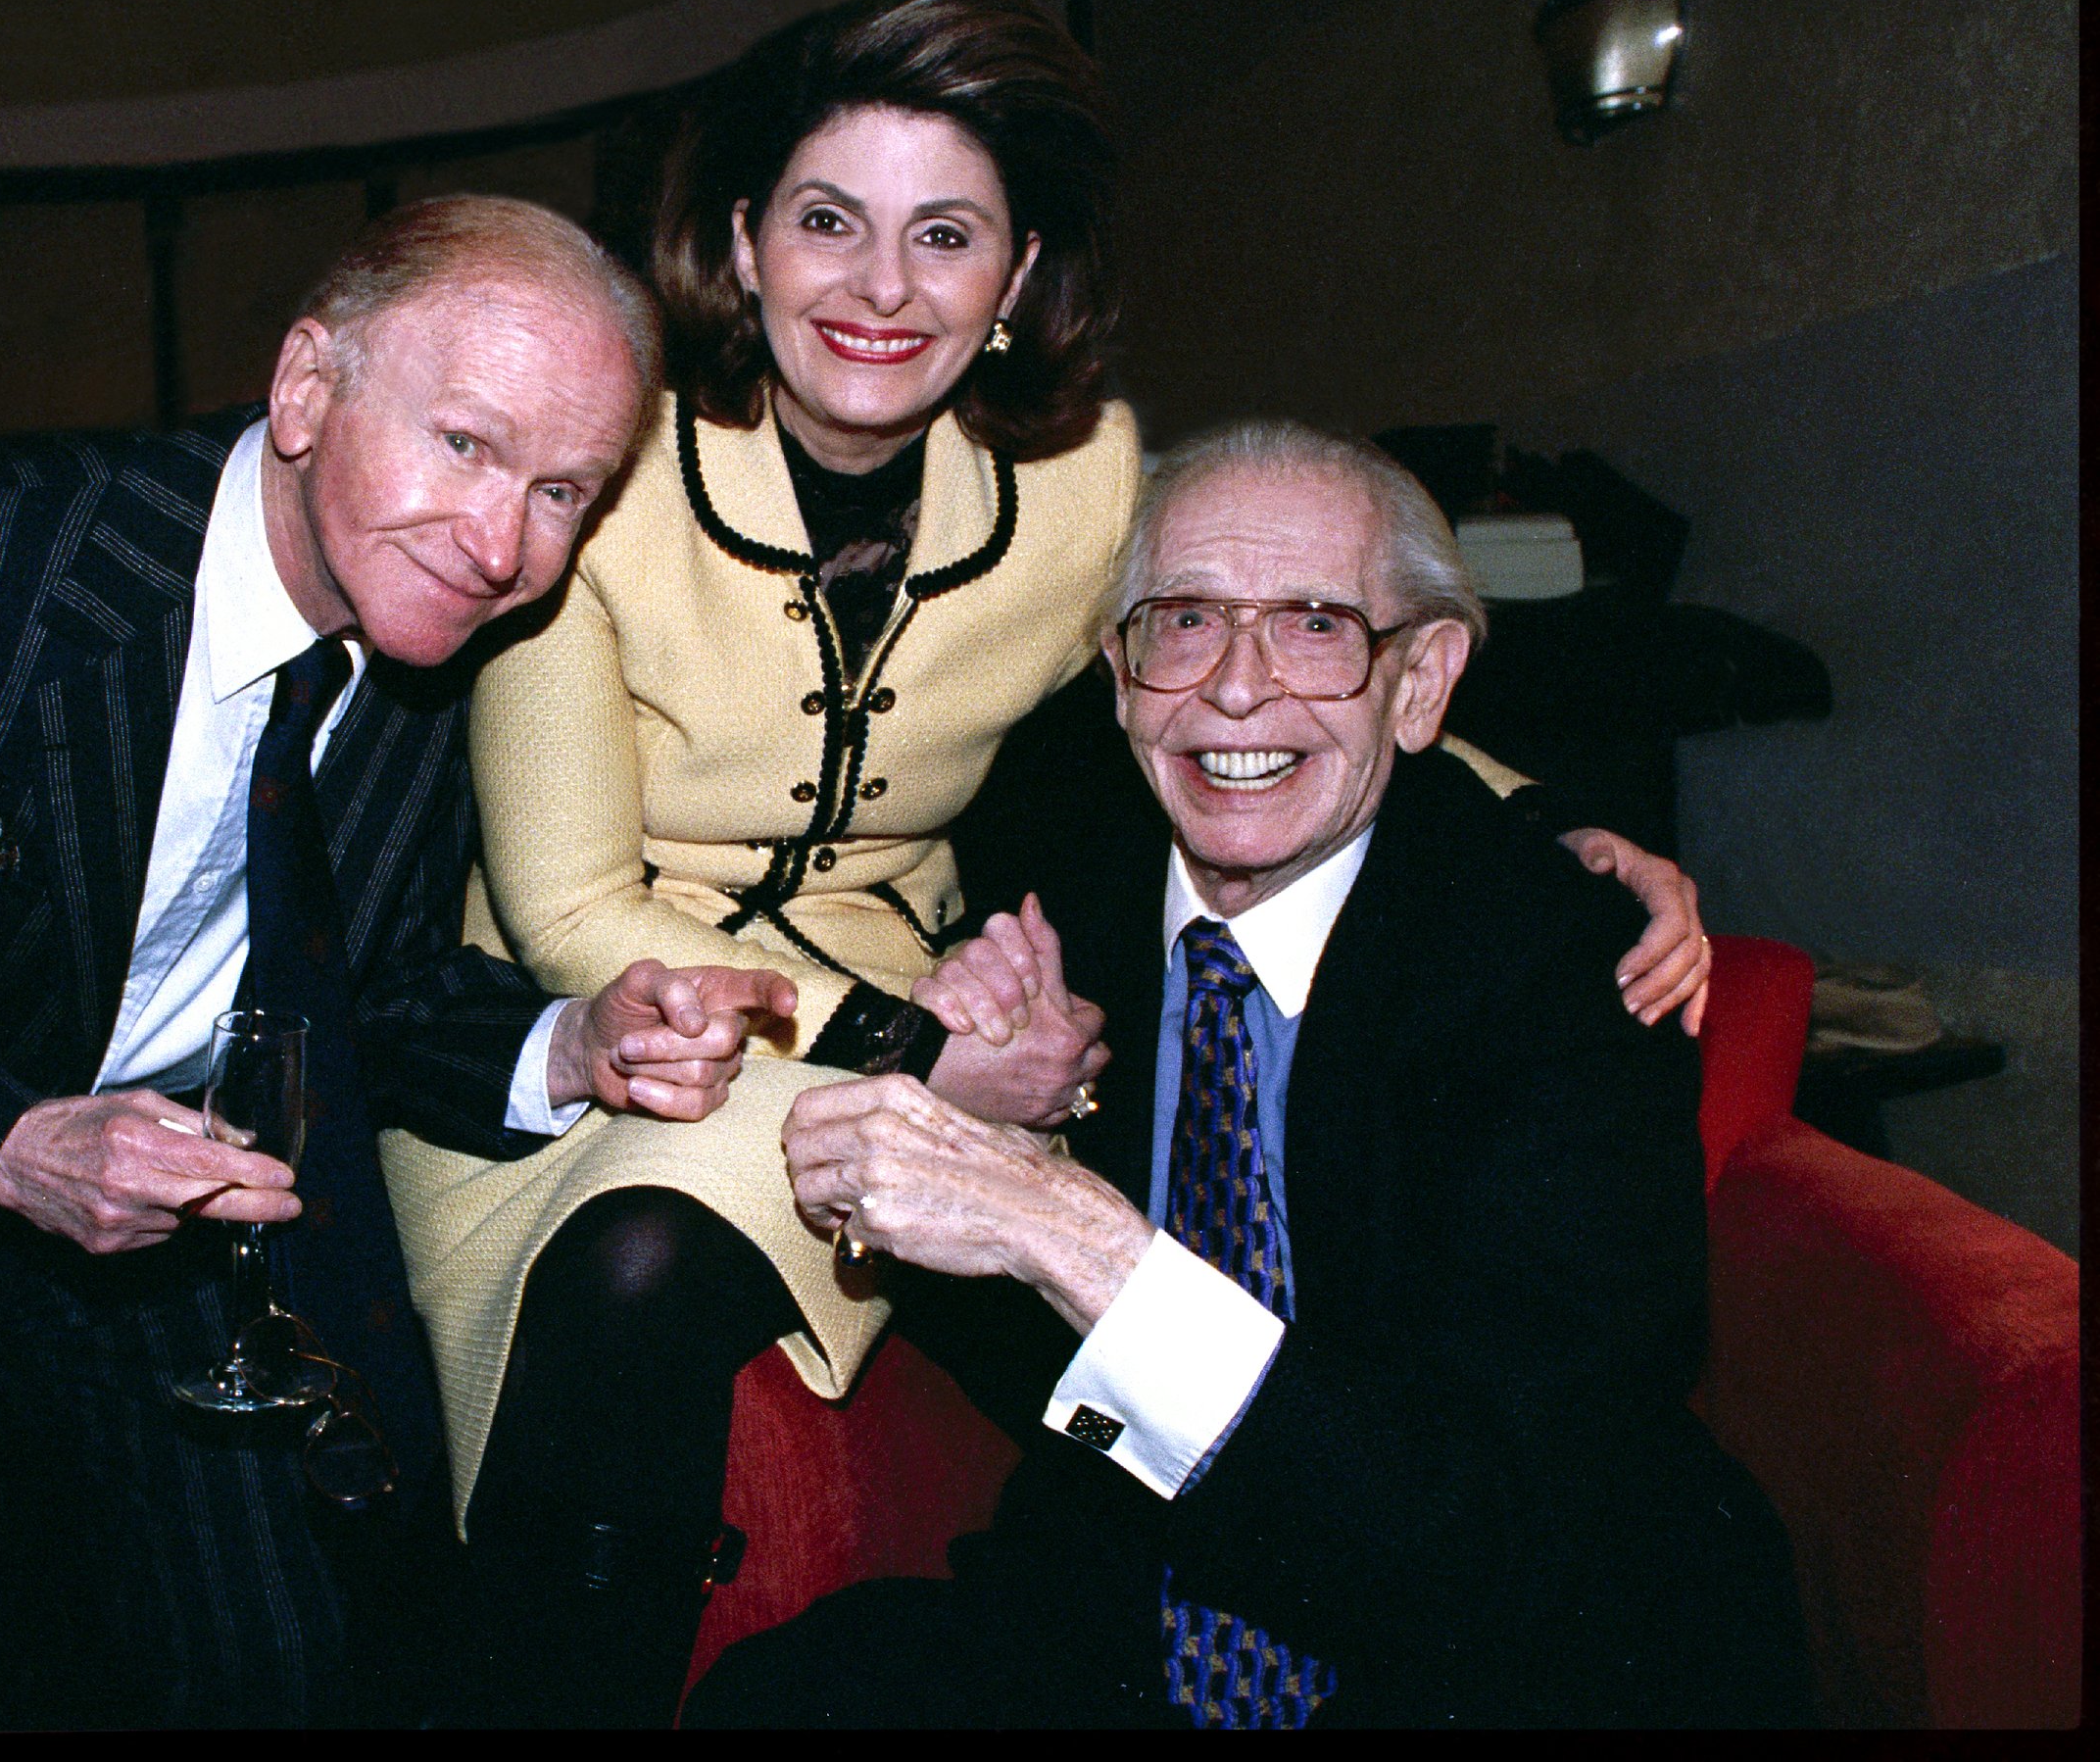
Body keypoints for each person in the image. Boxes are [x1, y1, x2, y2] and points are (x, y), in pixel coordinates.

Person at [383, 0, 1714, 1727]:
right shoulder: (606, 468)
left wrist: (1535, 808)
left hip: (908, 994)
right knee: (638, 1249)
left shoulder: (1080, 478)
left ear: (1015, 281)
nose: (879, 289)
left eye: (945, 235)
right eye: (827, 223)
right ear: (739, 243)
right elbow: (570, 905)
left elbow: (1232, 668)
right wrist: (918, 1054)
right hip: (619, 1010)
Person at [0, 194, 797, 1732]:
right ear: (305, 389)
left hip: (154, 1238)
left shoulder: (435, 660)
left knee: (286, 1657)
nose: (497, 546)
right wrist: (1, 1143)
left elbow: (380, 993)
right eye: (464, 445)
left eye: (562, 491)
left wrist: (575, 1047)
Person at [688, 419, 1813, 1729]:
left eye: (1317, 625)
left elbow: (1490, 1520)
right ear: (1119, 673)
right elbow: (1030, 1379)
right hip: (1130, 1615)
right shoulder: (1059, 895)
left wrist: (1062, 1227)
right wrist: (974, 1122)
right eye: (1184, 622)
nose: (1234, 688)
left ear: (1421, 681)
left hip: (1498, 1639)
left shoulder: (1569, 965)